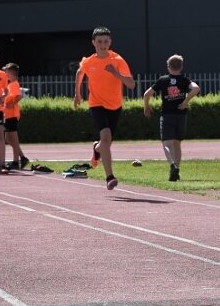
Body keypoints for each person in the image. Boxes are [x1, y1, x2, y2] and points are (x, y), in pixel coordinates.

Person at [74, 26, 135, 190]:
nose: (103, 44)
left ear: (110, 42)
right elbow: (80, 73)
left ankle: (96, 149)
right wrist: (77, 94)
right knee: (106, 136)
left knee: (106, 143)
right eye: (99, 41)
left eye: (106, 41)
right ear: (93, 42)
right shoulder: (89, 62)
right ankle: (110, 177)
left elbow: (131, 84)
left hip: (115, 105)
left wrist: (116, 74)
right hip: (96, 104)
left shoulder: (118, 60)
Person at [143, 54, 200, 182]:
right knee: (177, 144)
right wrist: (185, 101)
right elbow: (196, 88)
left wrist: (146, 106)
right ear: (182, 67)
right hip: (181, 115)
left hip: (167, 115)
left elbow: (147, 94)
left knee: (167, 144)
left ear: (168, 67)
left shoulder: (163, 80)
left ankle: (172, 165)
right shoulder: (185, 80)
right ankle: (177, 170)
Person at [2, 63, 29, 169]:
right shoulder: (10, 84)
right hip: (8, 115)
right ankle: (21, 157)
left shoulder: (14, 84)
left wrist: (12, 104)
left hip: (12, 115)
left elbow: (19, 96)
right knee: (8, 139)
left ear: (11, 73)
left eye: (6, 71)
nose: (5, 73)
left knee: (13, 139)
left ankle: (16, 161)